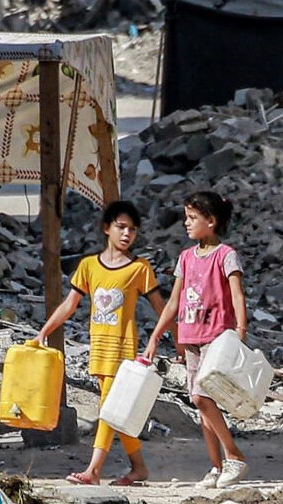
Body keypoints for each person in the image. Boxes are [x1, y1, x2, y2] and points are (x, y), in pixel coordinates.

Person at [36, 200, 170, 486]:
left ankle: (93, 470)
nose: (127, 234)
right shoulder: (87, 266)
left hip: (123, 351)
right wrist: (44, 331)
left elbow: (161, 307)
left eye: (132, 230)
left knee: (109, 409)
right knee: (116, 411)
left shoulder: (140, 268)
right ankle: (139, 468)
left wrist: (168, 339)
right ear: (106, 228)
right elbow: (70, 304)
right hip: (98, 350)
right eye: (121, 227)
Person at [142, 191, 250, 488]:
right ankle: (215, 467)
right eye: (186, 217)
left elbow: (237, 295)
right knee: (203, 406)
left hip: (217, 338)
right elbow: (174, 301)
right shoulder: (186, 258)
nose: (186, 224)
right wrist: (155, 338)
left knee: (200, 398)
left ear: (211, 221)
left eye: (192, 218)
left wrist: (240, 331)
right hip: (191, 339)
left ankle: (234, 456)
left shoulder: (226, 256)